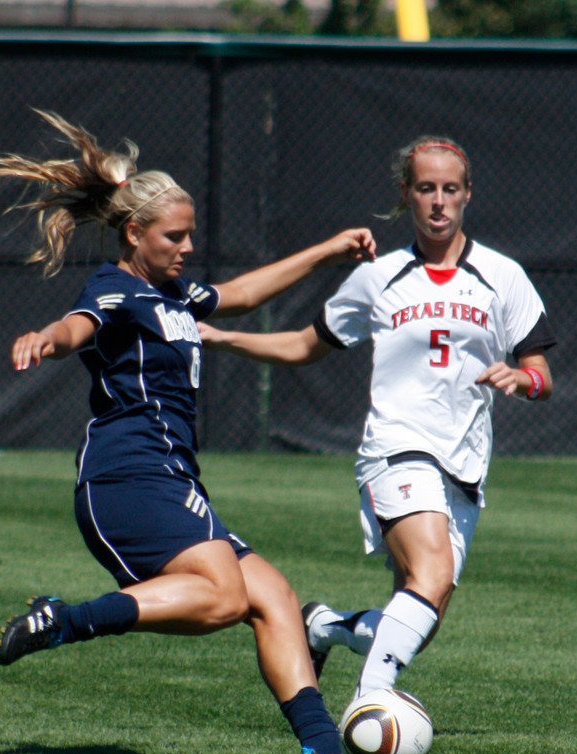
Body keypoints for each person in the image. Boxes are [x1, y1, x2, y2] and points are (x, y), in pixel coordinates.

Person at [0, 109, 377, 754]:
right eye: (174, 236)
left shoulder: (173, 293)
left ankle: (324, 749)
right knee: (223, 595)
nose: (186, 247)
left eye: (189, 235)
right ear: (134, 233)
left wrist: (328, 250)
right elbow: (77, 325)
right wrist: (45, 340)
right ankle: (65, 619)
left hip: (172, 477)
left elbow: (241, 294)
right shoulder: (115, 287)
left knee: (272, 595)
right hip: (125, 475)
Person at [198, 134, 555, 701]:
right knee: (432, 575)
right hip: (396, 450)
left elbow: (541, 374)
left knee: (422, 617)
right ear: (405, 196)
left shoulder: (502, 275)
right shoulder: (378, 277)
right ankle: (370, 702)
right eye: (425, 189)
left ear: (468, 196)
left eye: (450, 189)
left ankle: (326, 626)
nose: (438, 201)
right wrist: (222, 339)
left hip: (464, 464)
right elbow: (303, 345)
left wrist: (522, 378)